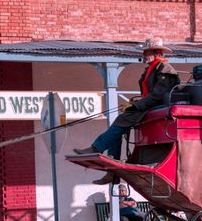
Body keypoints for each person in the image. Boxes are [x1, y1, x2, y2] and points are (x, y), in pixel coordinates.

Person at [74, 37, 181, 184]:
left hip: (158, 106)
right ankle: (112, 170)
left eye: (147, 52)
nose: (144, 55)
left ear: (156, 53)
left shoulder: (165, 69)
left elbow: (157, 96)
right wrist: (135, 103)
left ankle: (96, 149)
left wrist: (137, 105)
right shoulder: (153, 68)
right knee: (120, 123)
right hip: (149, 105)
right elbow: (149, 95)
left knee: (121, 120)